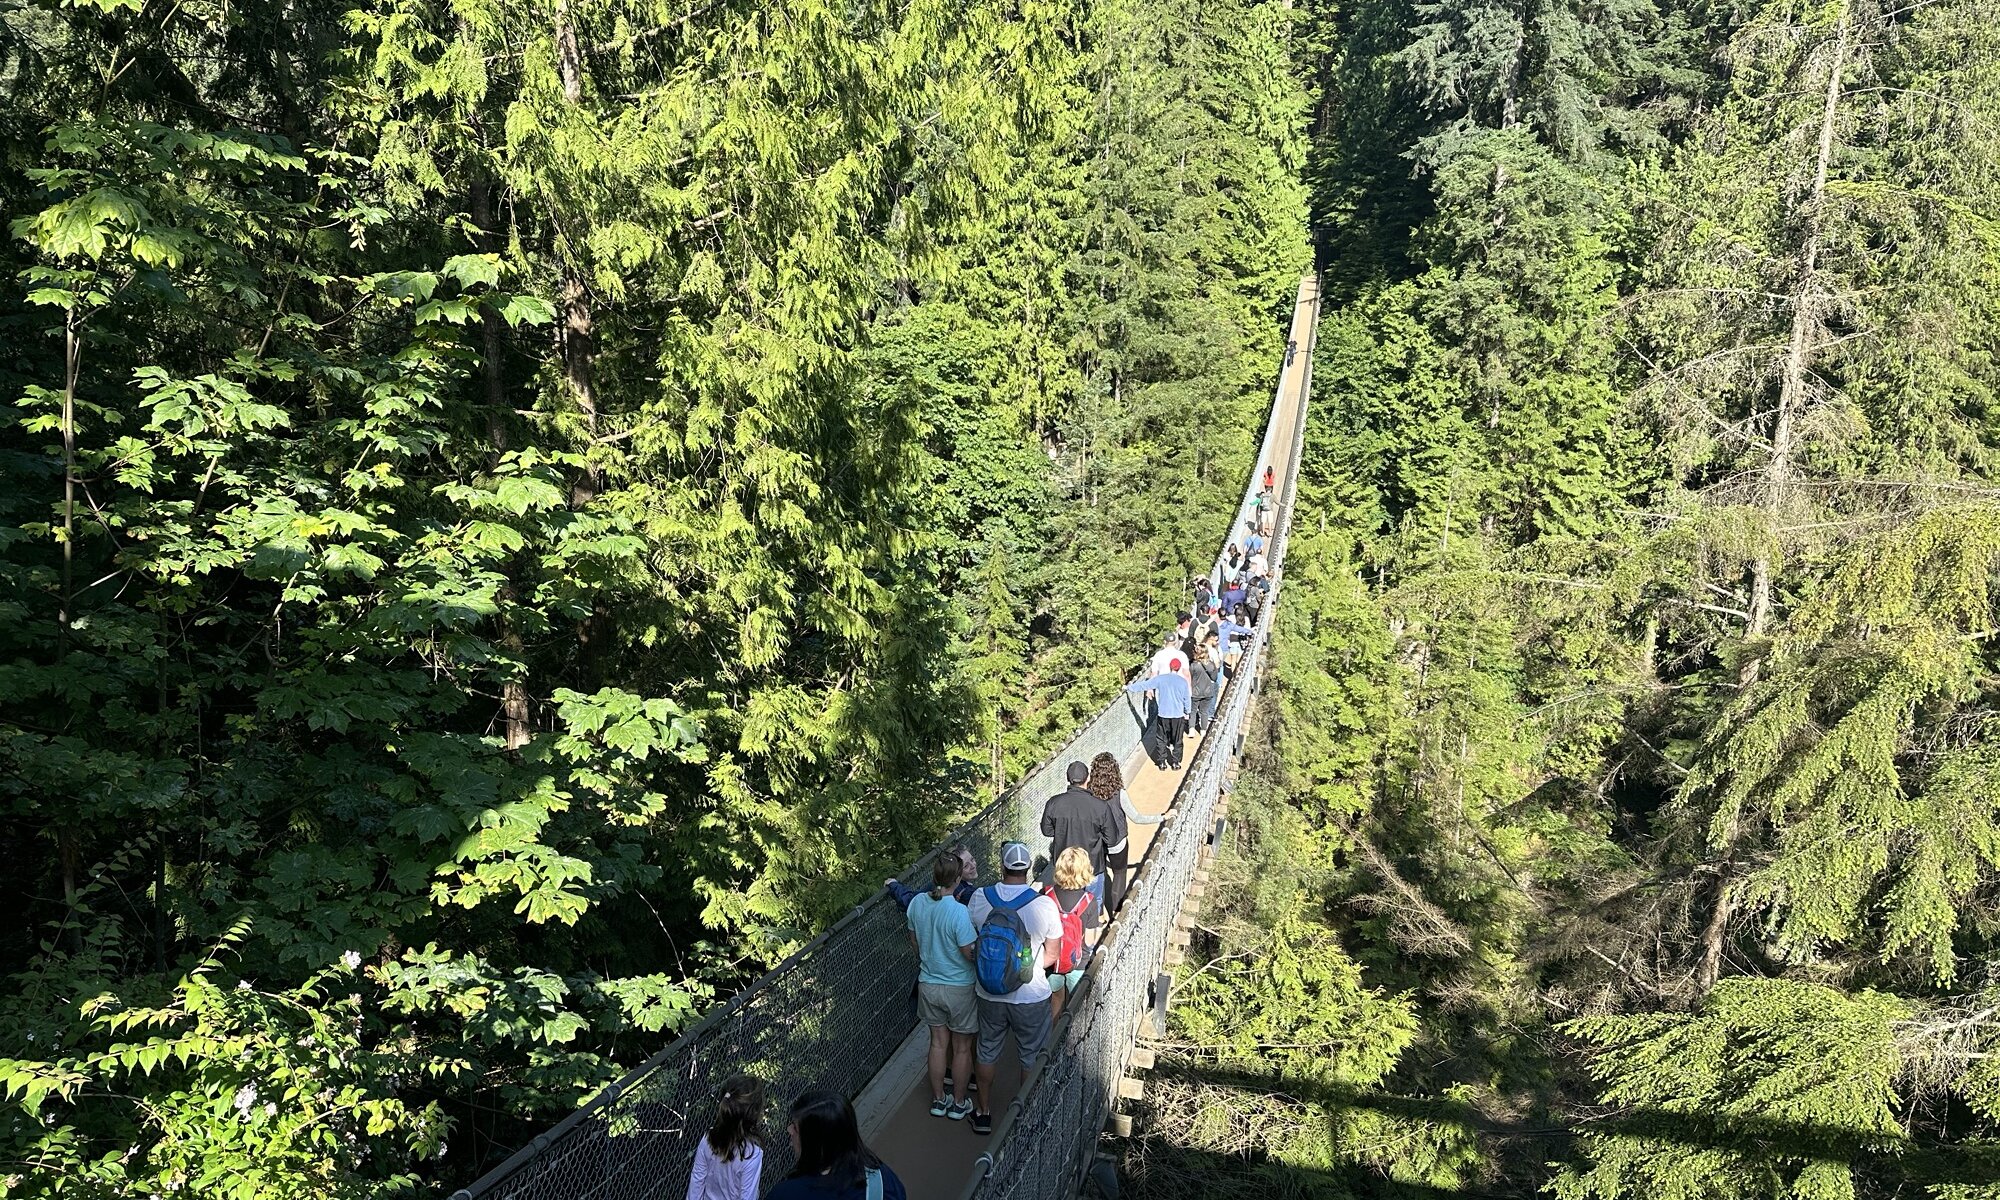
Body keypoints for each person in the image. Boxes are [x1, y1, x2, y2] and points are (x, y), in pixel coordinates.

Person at [967, 842, 1063, 1135]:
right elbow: (1052, 955)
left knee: (986, 1050)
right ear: (1027, 871)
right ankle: (1026, 1116)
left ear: (1002, 867)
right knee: (1030, 1055)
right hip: (1030, 994)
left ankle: (982, 1113)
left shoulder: (980, 898)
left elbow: (976, 943)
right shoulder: (1044, 904)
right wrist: (1027, 967)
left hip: (988, 991)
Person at [906, 852, 977, 1121]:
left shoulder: (916, 904)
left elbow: (914, 940)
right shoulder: (958, 911)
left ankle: (939, 1100)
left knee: (937, 1044)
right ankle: (959, 1103)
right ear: (957, 879)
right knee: (961, 1048)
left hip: (928, 982)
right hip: (959, 986)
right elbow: (967, 952)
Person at [764, 1092, 905, 1200]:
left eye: (795, 1127)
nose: (789, 1130)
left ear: (815, 1143)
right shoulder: (882, 1180)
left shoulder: (787, 1194)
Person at [1087, 752, 1161, 916]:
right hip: (1117, 842)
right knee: (1119, 874)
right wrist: (1161, 817)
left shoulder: (1089, 794)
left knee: (1099, 875)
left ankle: (1097, 914)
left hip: (1097, 843)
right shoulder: (1120, 794)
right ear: (1115, 771)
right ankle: (1116, 911)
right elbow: (1137, 818)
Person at [1041, 761, 1114, 905]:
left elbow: (1047, 830)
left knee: (1065, 905)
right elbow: (1111, 838)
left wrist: (1063, 831)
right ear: (1088, 779)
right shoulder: (1100, 806)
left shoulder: (1054, 803)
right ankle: (1091, 925)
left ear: (1068, 779)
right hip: (1092, 865)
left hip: (1065, 866)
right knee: (1093, 901)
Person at [1043, 847, 1101, 1021]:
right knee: (1077, 1004)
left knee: (1055, 1000)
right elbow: (1089, 940)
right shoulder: (1089, 902)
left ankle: (1052, 1042)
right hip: (1078, 961)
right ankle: (1071, 1042)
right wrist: (1099, 930)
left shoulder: (1046, 895)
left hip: (1053, 960)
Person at [686, 1074, 764, 1200]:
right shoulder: (752, 1154)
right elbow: (747, 1197)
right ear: (754, 1113)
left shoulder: (709, 1138)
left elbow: (696, 1183)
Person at [1127, 658, 1192, 769]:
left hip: (1163, 714)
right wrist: (1187, 711)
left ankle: (1161, 762)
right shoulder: (1182, 681)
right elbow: (1187, 699)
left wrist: (1129, 687)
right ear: (1179, 668)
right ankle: (1176, 762)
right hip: (1177, 715)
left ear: (1170, 667)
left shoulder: (1161, 679)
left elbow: (1145, 685)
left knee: (1161, 738)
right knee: (1178, 739)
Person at [884, 845, 976, 911]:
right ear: (955, 873)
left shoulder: (944, 885)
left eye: (972, 860)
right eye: (966, 866)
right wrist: (894, 886)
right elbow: (910, 902)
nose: (973, 866)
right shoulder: (960, 891)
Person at [1188, 643, 1219, 735]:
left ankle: (1191, 730)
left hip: (1195, 691)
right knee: (1204, 712)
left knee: (1193, 711)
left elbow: (1190, 678)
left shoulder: (1193, 665)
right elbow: (1214, 678)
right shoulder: (1211, 664)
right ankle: (1203, 731)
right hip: (1208, 691)